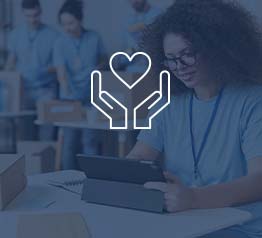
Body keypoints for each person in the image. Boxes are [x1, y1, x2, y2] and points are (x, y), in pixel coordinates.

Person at [127, 0, 262, 237]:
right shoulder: (166, 104)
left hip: (240, 227)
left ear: (216, 47)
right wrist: (120, 172)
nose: (179, 67)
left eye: (187, 54)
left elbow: (259, 181)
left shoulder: (253, 101)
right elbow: (140, 155)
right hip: (182, 223)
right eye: (170, 58)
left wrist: (195, 198)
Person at [54, 0, 108, 169]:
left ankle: (93, 181)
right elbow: (61, 73)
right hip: (70, 99)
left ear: (80, 20)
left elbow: (105, 62)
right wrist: (69, 96)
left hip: (92, 98)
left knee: (90, 141)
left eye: (71, 23)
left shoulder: (94, 37)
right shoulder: (60, 43)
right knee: (69, 143)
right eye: (63, 24)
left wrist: (98, 69)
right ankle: (66, 181)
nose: (67, 28)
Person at [5, 0, 58, 140]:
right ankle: (28, 161)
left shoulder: (53, 35)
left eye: (36, 15)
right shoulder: (15, 35)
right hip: (23, 90)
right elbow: (11, 62)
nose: (33, 19)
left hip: (46, 90)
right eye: (29, 16)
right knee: (23, 132)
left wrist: (44, 71)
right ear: (23, 13)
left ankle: (46, 161)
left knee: (46, 132)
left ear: (41, 12)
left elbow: (59, 65)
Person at [118, 0, 161, 72]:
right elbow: (125, 54)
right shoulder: (127, 21)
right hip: (131, 73)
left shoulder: (158, 15)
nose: (134, 1)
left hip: (154, 71)